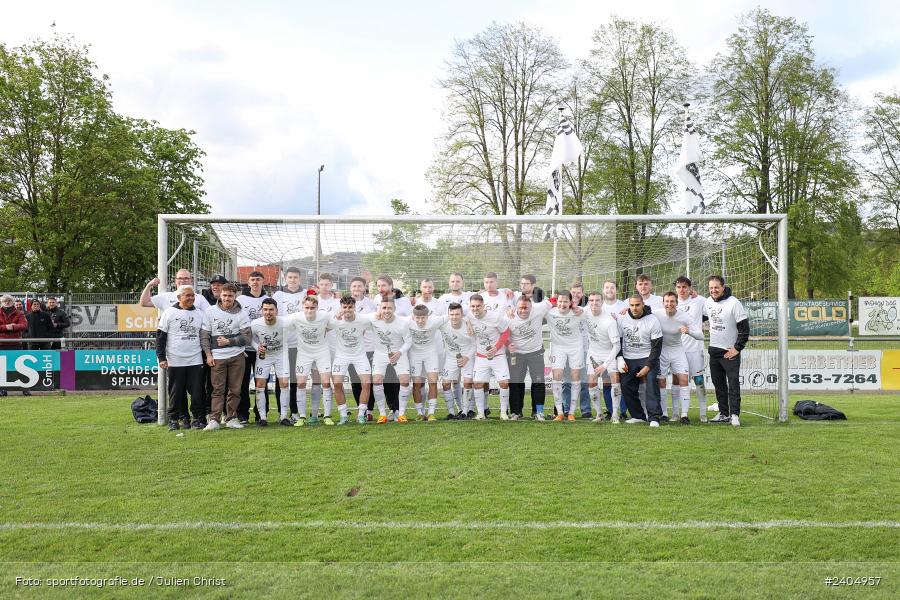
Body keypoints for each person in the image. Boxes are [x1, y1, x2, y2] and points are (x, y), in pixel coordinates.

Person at [201, 283, 251, 431]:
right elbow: (204, 336)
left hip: (237, 356)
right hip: (217, 357)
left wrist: (229, 341)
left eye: (230, 296)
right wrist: (208, 355)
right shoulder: (210, 311)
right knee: (217, 389)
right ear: (220, 295)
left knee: (235, 390)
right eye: (224, 295)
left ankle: (231, 418)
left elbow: (247, 338)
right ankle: (214, 419)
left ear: (235, 296)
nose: (227, 298)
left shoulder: (242, 313)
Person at [156, 285, 205, 430]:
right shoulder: (169, 312)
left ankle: (197, 418)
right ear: (179, 297)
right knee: (176, 392)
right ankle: (174, 419)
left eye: (192, 295)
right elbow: (160, 337)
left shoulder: (200, 313)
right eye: (187, 295)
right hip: (175, 359)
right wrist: (161, 357)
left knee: (197, 392)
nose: (191, 298)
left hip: (195, 358)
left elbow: (204, 336)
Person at [704, 275, 750, 427]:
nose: (713, 290)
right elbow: (699, 317)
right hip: (714, 352)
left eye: (716, 287)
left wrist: (737, 348)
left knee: (733, 384)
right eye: (711, 288)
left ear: (723, 287)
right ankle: (724, 413)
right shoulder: (708, 302)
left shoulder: (734, 303)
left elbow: (744, 328)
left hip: (729, 353)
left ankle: (734, 415)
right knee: (719, 386)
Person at [286, 295, 337, 425]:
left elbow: (334, 325)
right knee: (301, 383)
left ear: (317, 307)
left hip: (322, 353)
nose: (309, 310)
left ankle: (326, 416)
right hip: (304, 354)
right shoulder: (295, 317)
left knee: (325, 383)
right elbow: (281, 325)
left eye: (312, 308)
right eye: (307, 307)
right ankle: (302, 417)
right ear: (303, 307)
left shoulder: (325, 316)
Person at [656, 292, 704, 424]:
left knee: (683, 379)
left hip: (678, 351)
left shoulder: (684, 316)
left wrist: (688, 331)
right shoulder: (656, 314)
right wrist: (625, 310)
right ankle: (664, 414)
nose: (669, 304)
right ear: (663, 303)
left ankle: (684, 415)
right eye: (667, 301)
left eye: (672, 301)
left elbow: (701, 335)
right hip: (662, 352)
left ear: (677, 303)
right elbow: (641, 313)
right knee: (661, 382)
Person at [619, 295, 664, 427]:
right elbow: (618, 341)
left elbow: (657, 347)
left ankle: (654, 417)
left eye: (637, 305)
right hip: (628, 357)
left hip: (647, 357)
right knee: (625, 385)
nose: (634, 308)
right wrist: (620, 358)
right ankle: (638, 416)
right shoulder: (622, 319)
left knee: (651, 382)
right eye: (632, 305)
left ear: (643, 305)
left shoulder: (652, 320)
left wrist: (648, 366)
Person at [329, 295, 375, 424]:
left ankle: (361, 414)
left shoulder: (363, 319)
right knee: (337, 384)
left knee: (366, 383)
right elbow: (323, 329)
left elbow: (376, 324)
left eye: (350, 307)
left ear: (354, 307)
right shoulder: (335, 320)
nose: (347, 310)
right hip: (341, 356)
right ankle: (343, 416)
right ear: (341, 308)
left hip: (359, 355)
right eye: (345, 307)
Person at [507, 294, 552, 420]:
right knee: (515, 383)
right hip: (517, 354)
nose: (523, 310)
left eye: (526, 308)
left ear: (531, 307)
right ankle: (516, 412)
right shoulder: (508, 317)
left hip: (535, 352)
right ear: (516, 307)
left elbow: (554, 301)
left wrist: (574, 306)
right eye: (520, 308)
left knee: (538, 382)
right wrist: (508, 344)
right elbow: (502, 334)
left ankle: (538, 412)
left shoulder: (539, 308)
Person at [466, 294, 511, 420]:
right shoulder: (468, 315)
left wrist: (496, 347)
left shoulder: (495, 317)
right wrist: (468, 322)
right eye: (473, 306)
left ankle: (503, 413)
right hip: (481, 356)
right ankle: (481, 414)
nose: (475, 309)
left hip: (498, 355)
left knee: (503, 383)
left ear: (483, 306)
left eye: (478, 306)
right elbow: (457, 313)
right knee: (478, 384)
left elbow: (506, 332)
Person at [368, 297, 412, 423]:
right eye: (384, 308)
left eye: (389, 308)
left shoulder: (402, 322)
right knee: (376, 381)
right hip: (380, 354)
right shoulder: (373, 318)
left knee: (405, 380)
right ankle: (382, 415)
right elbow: (357, 318)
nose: (386, 311)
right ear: (380, 308)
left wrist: (399, 352)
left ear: (395, 309)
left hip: (398, 353)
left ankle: (401, 414)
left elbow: (408, 341)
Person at [272, 267, 307, 422]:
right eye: (290, 277)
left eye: (295, 277)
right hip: (282, 344)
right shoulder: (278, 295)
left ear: (300, 279)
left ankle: (295, 411)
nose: (293, 280)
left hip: (299, 345)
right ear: (285, 278)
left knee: (295, 380)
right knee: (281, 380)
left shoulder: (305, 294)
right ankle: (282, 413)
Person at [250, 298, 291, 426]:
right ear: (262, 311)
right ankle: (262, 418)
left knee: (284, 383)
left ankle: (283, 417)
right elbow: (249, 338)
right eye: (265, 309)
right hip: (264, 356)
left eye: (271, 310)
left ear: (277, 311)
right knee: (259, 384)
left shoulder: (285, 322)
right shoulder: (255, 324)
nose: (268, 312)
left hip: (281, 355)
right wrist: (257, 347)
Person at [546, 291, 586, 421]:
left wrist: (578, 308)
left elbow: (592, 313)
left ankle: (571, 413)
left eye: (565, 301)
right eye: (560, 301)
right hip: (558, 348)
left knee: (575, 376)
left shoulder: (577, 312)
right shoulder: (550, 312)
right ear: (556, 302)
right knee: (557, 375)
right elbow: (537, 306)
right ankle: (559, 413)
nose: (562, 304)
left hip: (575, 347)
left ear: (570, 302)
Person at [584, 291, 622, 423]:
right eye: (591, 300)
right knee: (591, 382)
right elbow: (572, 310)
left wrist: (604, 365)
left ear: (602, 302)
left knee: (615, 379)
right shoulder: (585, 313)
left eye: (597, 300)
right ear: (588, 302)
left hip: (609, 353)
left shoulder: (609, 320)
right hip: (593, 353)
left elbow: (617, 346)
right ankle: (599, 414)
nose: (594, 303)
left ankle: (615, 414)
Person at [238, 271, 270, 423]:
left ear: (263, 281)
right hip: (244, 349)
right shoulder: (240, 299)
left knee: (261, 382)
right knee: (242, 383)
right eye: (253, 279)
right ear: (248, 282)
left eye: (258, 279)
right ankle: (243, 414)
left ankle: (261, 414)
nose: (255, 282)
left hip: (262, 349)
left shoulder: (268, 299)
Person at [676, 276, 709, 423]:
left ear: (690, 288)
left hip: (695, 348)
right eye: (679, 287)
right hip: (677, 350)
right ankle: (677, 413)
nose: (681, 290)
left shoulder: (699, 300)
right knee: (678, 382)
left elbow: (713, 307)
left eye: (684, 287)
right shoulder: (671, 302)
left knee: (699, 381)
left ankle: (703, 413)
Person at [408, 305, 448, 421]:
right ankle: (419, 413)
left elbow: (451, 316)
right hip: (415, 355)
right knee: (416, 384)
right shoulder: (407, 322)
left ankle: (431, 413)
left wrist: (469, 322)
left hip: (431, 354)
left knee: (433, 381)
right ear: (413, 317)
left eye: (423, 318)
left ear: (427, 316)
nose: (420, 321)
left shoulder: (434, 321)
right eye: (418, 318)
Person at [347, 277, 378, 420]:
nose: (357, 289)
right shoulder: (345, 304)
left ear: (364, 288)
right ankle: (360, 409)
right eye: (354, 286)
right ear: (350, 288)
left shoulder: (371, 304)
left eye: (359, 286)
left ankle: (369, 410)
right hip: (351, 349)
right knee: (355, 381)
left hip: (368, 347)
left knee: (367, 381)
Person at [438, 302, 475, 419]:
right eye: (452, 314)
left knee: (468, 382)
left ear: (462, 314)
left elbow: (475, 344)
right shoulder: (443, 324)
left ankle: (465, 412)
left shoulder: (468, 326)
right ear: (448, 314)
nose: (454, 317)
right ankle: (452, 412)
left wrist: (467, 357)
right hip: (451, 357)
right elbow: (429, 320)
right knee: (446, 384)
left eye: (457, 314)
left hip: (467, 357)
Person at [562, 282, 591, 419]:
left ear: (583, 293)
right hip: (567, 350)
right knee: (566, 382)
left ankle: (586, 410)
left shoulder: (588, 308)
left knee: (584, 381)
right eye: (573, 292)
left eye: (579, 292)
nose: (576, 294)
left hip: (584, 350)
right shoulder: (563, 307)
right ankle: (566, 409)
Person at [140, 269, 211, 311]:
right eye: (180, 278)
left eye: (186, 278)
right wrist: (148, 286)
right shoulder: (166, 297)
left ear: (191, 281)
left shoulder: (200, 298)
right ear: (175, 281)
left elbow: (210, 315)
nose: (183, 281)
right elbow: (144, 303)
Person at [0, 295, 29, 397]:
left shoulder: (20, 313)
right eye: (5, 300)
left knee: (20, 368)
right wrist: (6, 327)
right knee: (1, 369)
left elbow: (24, 325)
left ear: (13, 302)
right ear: (1, 302)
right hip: (1, 344)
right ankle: (2, 389)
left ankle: (25, 389)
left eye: (9, 300)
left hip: (16, 344)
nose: (7, 302)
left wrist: (12, 327)